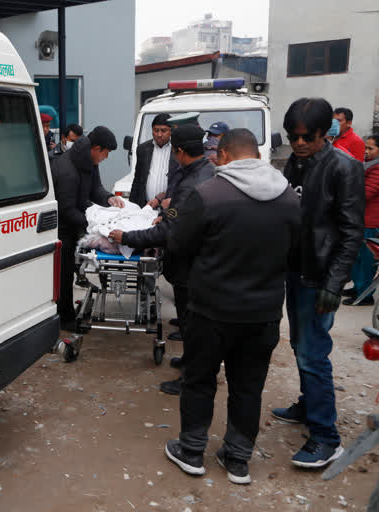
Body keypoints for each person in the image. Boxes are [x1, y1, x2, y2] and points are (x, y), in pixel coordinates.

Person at [147, 128, 300, 484]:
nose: (214, 158)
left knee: (199, 381)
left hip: (211, 310)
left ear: (228, 154)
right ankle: (238, 459)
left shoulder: (209, 195)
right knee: (248, 386)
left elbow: (180, 245)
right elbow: (297, 256)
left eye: (217, 153)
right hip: (262, 314)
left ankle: (192, 451)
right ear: (257, 155)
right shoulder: (289, 199)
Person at [272, 98, 364, 468]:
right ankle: (308, 406)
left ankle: (327, 437)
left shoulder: (344, 168)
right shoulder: (295, 163)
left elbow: (351, 231)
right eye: (293, 136)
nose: (298, 142)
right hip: (294, 271)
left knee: (313, 353)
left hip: (319, 277)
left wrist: (335, 281)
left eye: (306, 137)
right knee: (298, 345)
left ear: (325, 133)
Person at [108, 124, 215, 395]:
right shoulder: (202, 171)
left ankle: (191, 380)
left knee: (193, 325)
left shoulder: (191, 182)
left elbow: (169, 232)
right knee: (191, 322)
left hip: (191, 265)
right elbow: (178, 217)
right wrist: (167, 214)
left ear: (178, 151)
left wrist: (127, 237)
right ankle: (191, 363)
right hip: (196, 260)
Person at [53, 126, 126, 331]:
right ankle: (64, 318)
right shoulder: (67, 170)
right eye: (106, 153)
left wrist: (108, 198)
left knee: (71, 271)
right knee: (64, 274)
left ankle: (66, 312)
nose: (106, 158)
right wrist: (96, 225)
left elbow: (95, 189)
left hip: (77, 223)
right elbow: (67, 210)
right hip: (62, 230)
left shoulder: (89, 162)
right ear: (96, 148)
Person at [343, 133, 379, 306]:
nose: (366, 151)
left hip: (371, 222)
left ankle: (366, 295)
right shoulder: (369, 166)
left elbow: (365, 193)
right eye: (366, 147)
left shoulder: (377, 169)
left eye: (371, 148)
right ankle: (358, 287)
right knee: (357, 257)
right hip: (362, 220)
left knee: (366, 261)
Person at [129, 113, 179, 208]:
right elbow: (137, 180)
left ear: (171, 131)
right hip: (146, 207)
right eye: (156, 130)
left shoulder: (177, 149)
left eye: (163, 131)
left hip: (169, 207)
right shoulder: (143, 149)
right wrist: (132, 207)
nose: (159, 135)